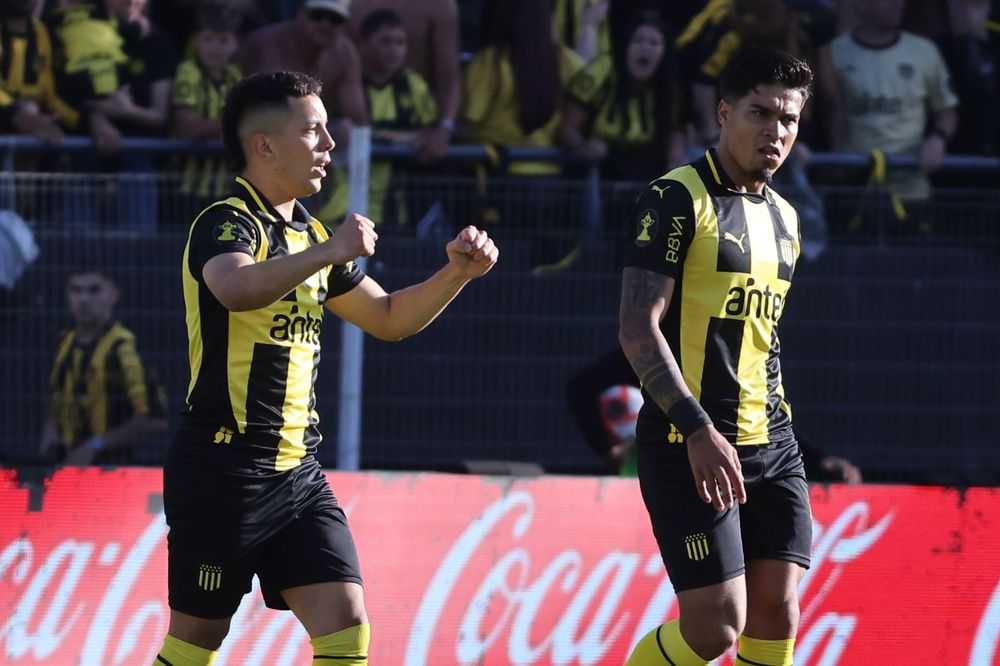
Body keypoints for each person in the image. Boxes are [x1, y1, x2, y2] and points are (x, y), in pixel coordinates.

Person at [153, 70, 498, 665]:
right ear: (264, 146)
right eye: (312, 131)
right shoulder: (226, 221)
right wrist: (330, 251)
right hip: (222, 470)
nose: (329, 145)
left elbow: (388, 318)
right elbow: (233, 289)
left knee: (345, 626)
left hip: (297, 475)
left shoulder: (310, 232)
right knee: (195, 645)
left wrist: (456, 276)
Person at [619, 47, 814, 665]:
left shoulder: (786, 217)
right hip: (691, 443)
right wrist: (697, 428)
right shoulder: (676, 198)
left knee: (778, 614)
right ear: (724, 112)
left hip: (772, 444)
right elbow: (636, 329)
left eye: (789, 119)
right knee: (715, 628)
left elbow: (764, 338)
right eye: (760, 112)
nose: (775, 131)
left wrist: (779, 436)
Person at [567, 347, 863, 483]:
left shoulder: (718, 360)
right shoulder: (647, 355)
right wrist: (607, 449)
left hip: (708, 482)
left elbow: (760, 418)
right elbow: (580, 388)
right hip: (651, 479)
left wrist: (818, 459)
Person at [818, 0, 959, 235]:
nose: (898, 5)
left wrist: (938, 139)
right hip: (856, 191)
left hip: (911, 192)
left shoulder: (924, 51)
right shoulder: (834, 52)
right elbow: (829, 114)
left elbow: (948, 110)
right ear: (862, 5)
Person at [38, 268, 167, 466]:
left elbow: (154, 419)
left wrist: (95, 444)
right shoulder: (65, 341)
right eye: (76, 290)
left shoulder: (123, 346)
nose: (83, 299)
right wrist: (51, 432)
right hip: (63, 468)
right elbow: (56, 394)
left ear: (113, 293)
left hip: (110, 470)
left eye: (94, 290)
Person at [559, 10, 686, 181]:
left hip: (645, 174)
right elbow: (568, 126)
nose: (645, 48)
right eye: (638, 40)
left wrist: (674, 161)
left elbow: (677, 129)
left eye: (654, 43)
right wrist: (583, 146)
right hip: (595, 174)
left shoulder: (669, 86)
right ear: (625, 46)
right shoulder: (599, 74)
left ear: (664, 52)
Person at [237, 0, 368, 140]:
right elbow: (264, 114)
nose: (325, 25)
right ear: (300, 14)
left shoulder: (344, 53)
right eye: (317, 16)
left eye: (335, 20)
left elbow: (357, 119)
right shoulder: (265, 45)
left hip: (316, 141)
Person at [348, 0, 460, 161]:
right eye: (385, 42)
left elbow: (450, 77)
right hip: (351, 168)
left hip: (404, 171)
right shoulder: (351, 6)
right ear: (362, 45)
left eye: (400, 43)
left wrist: (444, 129)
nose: (393, 51)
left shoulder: (415, 86)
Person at [171, 2, 244, 208]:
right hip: (188, 189)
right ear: (196, 42)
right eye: (208, 39)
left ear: (235, 44)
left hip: (226, 189)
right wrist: (234, 125)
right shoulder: (188, 71)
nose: (215, 47)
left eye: (223, 40)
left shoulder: (235, 75)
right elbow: (187, 127)